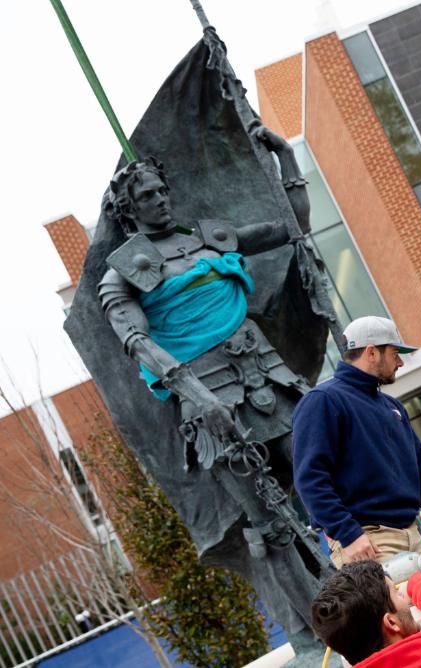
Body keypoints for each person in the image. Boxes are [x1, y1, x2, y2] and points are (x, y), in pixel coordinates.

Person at [97, 125, 330, 654]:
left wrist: (286, 156)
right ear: (128, 209)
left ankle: (355, 585)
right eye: (146, 196)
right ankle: (310, 631)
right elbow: (135, 342)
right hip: (208, 397)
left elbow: (293, 227)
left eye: (161, 190)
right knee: (266, 522)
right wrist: (198, 397)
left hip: (266, 373)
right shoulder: (123, 275)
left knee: (317, 476)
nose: (159, 200)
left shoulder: (209, 237)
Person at [292, 316, 421, 567]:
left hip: (414, 534)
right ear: (371, 353)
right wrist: (349, 534)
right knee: (400, 608)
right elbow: (310, 479)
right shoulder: (323, 401)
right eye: (394, 353)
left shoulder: (392, 406)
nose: (400, 362)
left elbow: (420, 475)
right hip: (368, 542)